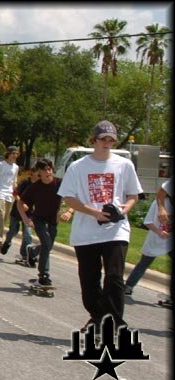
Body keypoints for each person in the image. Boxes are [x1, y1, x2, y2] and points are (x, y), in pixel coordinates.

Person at [58, 120, 142, 332]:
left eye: (111, 139)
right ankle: (97, 317)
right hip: (86, 232)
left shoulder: (124, 165)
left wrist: (123, 210)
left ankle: (112, 323)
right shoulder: (78, 167)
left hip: (116, 230)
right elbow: (69, 198)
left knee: (114, 276)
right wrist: (94, 212)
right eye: (103, 138)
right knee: (89, 280)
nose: (107, 142)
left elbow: (133, 195)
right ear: (94, 139)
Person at [16, 159, 73, 285]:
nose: (48, 172)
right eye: (44, 170)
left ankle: (33, 251)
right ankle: (43, 275)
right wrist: (25, 219)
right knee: (46, 243)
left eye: (49, 169)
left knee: (48, 245)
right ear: (39, 173)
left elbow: (75, 197)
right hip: (39, 219)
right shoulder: (35, 187)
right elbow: (20, 203)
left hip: (53, 220)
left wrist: (69, 211)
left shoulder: (60, 183)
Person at [124, 179, 173, 296]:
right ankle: (128, 286)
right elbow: (148, 222)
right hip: (156, 239)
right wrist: (159, 232)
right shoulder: (159, 204)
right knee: (144, 263)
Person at [0, 164, 40, 260]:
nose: (39, 175)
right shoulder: (26, 182)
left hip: (29, 213)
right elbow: (15, 193)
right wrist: (21, 203)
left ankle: (25, 254)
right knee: (13, 230)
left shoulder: (40, 185)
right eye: (38, 173)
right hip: (17, 211)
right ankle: (7, 242)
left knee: (27, 234)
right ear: (33, 172)